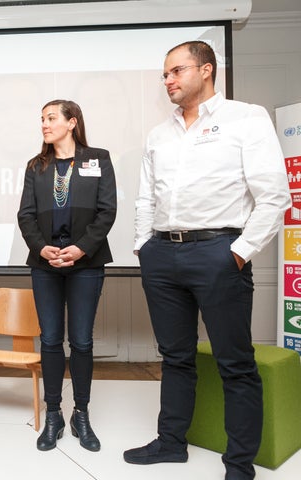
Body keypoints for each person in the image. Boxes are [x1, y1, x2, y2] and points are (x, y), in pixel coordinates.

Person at [125, 41, 291, 480]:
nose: (169, 81)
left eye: (177, 71)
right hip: (163, 254)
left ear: (207, 70)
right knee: (175, 356)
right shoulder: (159, 134)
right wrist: (145, 246)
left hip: (218, 252)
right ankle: (171, 443)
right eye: (164, 75)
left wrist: (238, 253)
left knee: (234, 362)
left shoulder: (246, 117)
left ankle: (239, 465)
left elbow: (275, 197)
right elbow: (146, 197)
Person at [17, 100, 117, 453]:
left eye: (51, 118)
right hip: (45, 265)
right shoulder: (36, 166)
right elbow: (25, 215)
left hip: (86, 265)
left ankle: (82, 414)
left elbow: (107, 212)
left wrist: (81, 249)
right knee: (49, 340)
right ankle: (54, 414)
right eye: (41, 118)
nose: (44, 124)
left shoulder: (97, 159)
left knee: (82, 342)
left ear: (72, 122)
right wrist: (42, 247)